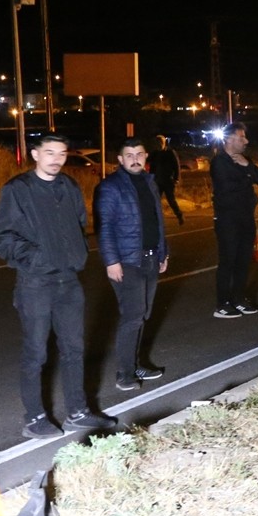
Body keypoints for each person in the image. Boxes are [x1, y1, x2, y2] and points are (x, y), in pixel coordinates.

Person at [0, 134, 117, 438]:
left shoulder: (69, 186)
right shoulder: (18, 189)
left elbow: (79, 224)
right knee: (36, 352)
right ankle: (34, 418)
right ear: (35, 154)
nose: (56, 159)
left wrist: (76, 254)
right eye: (49, 152)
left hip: (69, 281)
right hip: (35, 282)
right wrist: (37, 259)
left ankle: (78, 412)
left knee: (74, 349)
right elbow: (3, 237)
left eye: (62, 153)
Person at [96, 138, 169, 393]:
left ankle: (136, 365)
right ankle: (124, 373)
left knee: (142, 314)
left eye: (139, 154)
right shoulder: (110, 187)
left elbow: (157, 221)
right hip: (126, 261)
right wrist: (111, 261)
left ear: (146, 156)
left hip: (150, 257)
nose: (135, 159)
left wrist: (163, 252)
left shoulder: (149, 182)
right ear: (120, 159)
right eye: (129, 155)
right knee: (133, 316)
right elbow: (104, 227)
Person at [210, 122, 258, 318]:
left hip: (246, 217)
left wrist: (247, 166)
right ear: (229, 139)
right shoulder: (219, 162)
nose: (246, 141)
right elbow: (229, 186)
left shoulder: (245, 160)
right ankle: (222, 303)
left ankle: (239, 298)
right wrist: (247, 174)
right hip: (228, 219)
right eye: (242, 137)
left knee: (244, 260)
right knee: (228, 260)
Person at [146, 134, 183, 225]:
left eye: (160, 142)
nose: (158, 145)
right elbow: (147, 161)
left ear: (163, 143)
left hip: (168, 181)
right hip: (158, 181)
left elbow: (176, 166)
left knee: (171, 200)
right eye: (156, 143)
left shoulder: (170, 153)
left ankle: (179, 215)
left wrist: (176, 179)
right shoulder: (155, 154)